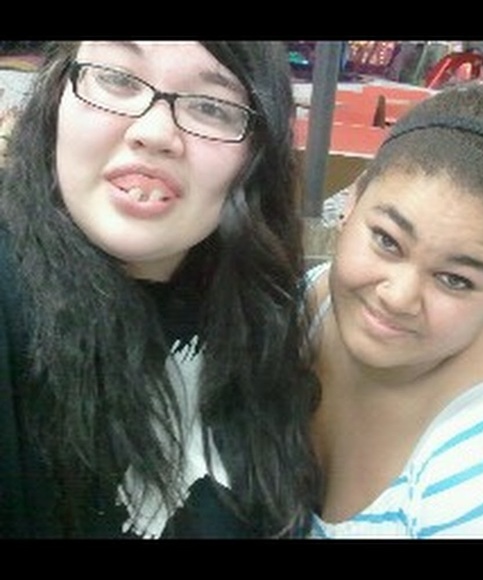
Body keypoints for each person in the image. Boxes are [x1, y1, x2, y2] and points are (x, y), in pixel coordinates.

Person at [0, 40, 320, 539]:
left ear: (258, 154)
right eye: (117, 79)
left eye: (211, 107)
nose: (154, 133)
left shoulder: (271, 318)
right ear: (57, 91)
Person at [304, 82, 483, 538]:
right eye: (387, 240)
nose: (398, 297)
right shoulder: (304, 307)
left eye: (455, 279)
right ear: (351, 203)